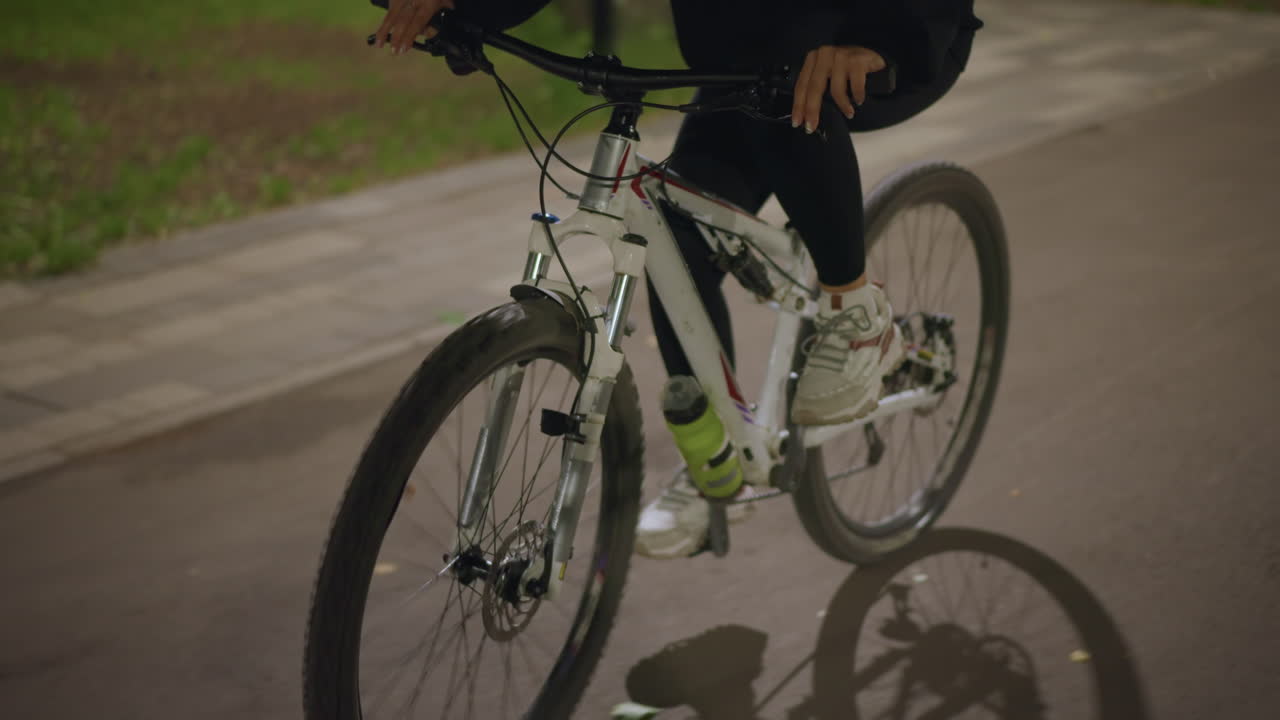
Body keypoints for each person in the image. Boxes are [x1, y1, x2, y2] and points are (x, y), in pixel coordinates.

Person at [374, 0, 984, 558]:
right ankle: (715, 460)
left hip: (883, 34)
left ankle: (858, 317)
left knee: (795, 94)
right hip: (748, 56)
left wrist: (886, 39)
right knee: (673, 232)